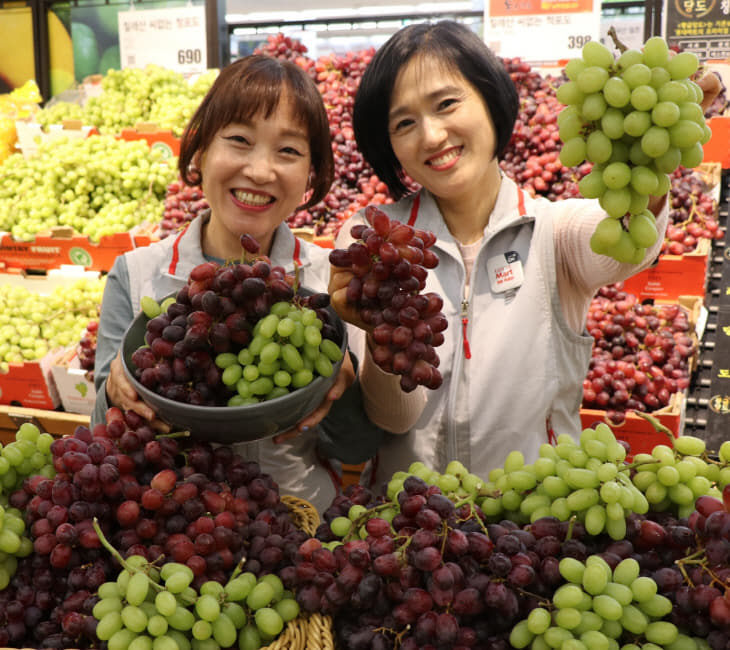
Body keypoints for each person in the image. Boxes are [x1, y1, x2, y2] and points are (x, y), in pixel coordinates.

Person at [329, 21, 721, 487]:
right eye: (404, 123)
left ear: (491, 100)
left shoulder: (554, 230)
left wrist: (649, 158)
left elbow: (625, 245)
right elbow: (394, 420)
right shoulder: (374, 242)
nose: (432, 136)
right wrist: (379, 331)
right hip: (417, 533)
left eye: (447, 104)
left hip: (533, 530)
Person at [93, 55, 381, 512]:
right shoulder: (135, 274)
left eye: (288, 151)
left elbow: (355, 449)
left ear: (310, 173)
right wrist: (113, 393)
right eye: (240, 140)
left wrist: (342, 386)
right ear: (201, 149)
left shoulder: (332, 281)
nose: (261, 170)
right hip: (178, 533)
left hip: (296, 528)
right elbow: (101, 442)